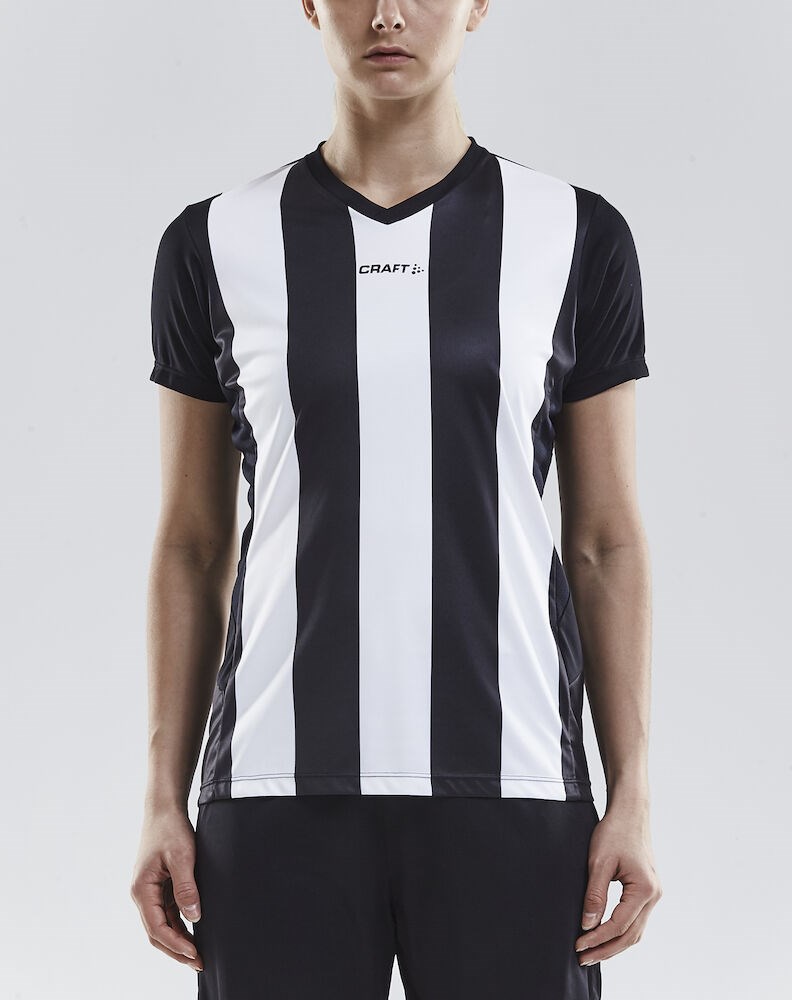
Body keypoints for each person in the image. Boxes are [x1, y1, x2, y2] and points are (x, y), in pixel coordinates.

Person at [130, 1, 662, 997]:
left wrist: (630, 791)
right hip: (276, 789)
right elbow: (193, 546)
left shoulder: (573, 233)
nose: (386, 15)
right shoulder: (214, 241)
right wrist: (162, 795)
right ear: (308, 5)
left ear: (477, 7)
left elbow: (603, 541)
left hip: (513, 783)